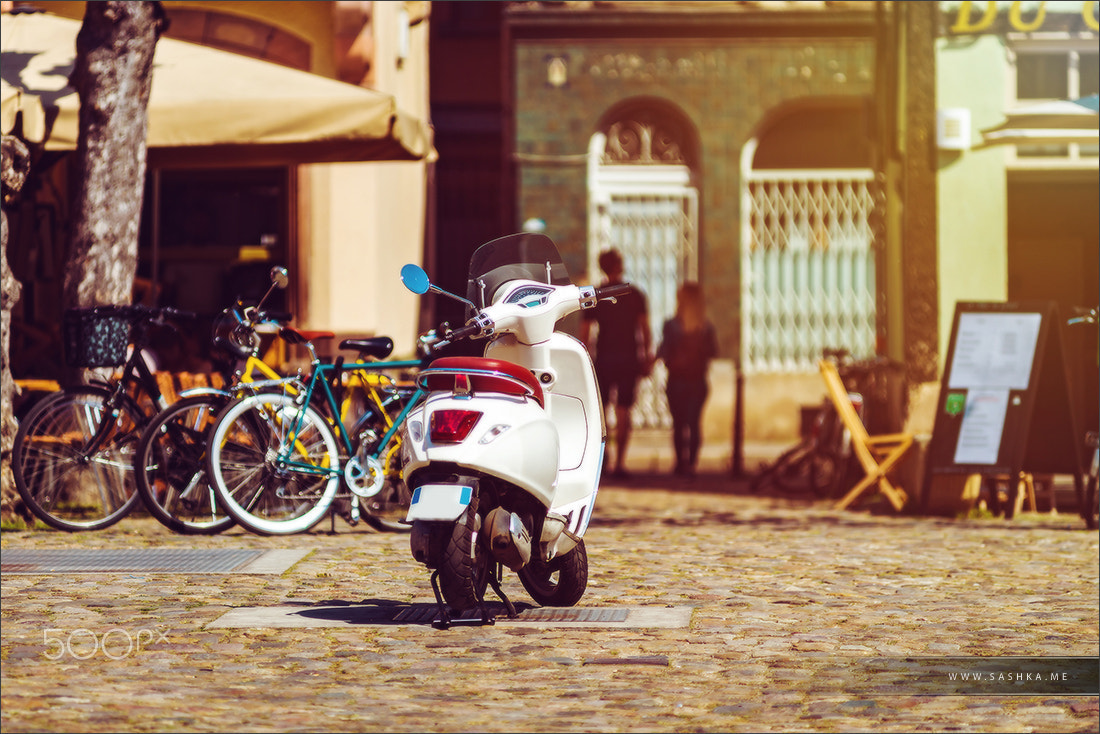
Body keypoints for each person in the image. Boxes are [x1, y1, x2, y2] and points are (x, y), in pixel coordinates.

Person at [580, 248, 653, 480]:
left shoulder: (596, 295)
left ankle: (605, 456)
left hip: (603, 359)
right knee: (623, 410)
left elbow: (586, 333)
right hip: (629, 358)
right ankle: (620, 462)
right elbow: (645, 329)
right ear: (619, 265)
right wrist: (646, 356)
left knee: (601, 412)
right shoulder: (634, 294)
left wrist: (585, 359)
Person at [657, 282, 717, 478]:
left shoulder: (671, 325)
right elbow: (713, 352)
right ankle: (690, 464)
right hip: (697, 380)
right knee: (693, 422)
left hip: (677, 380)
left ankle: (681, 463)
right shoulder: (705, 326)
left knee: (680, 423)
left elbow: (664, 351)